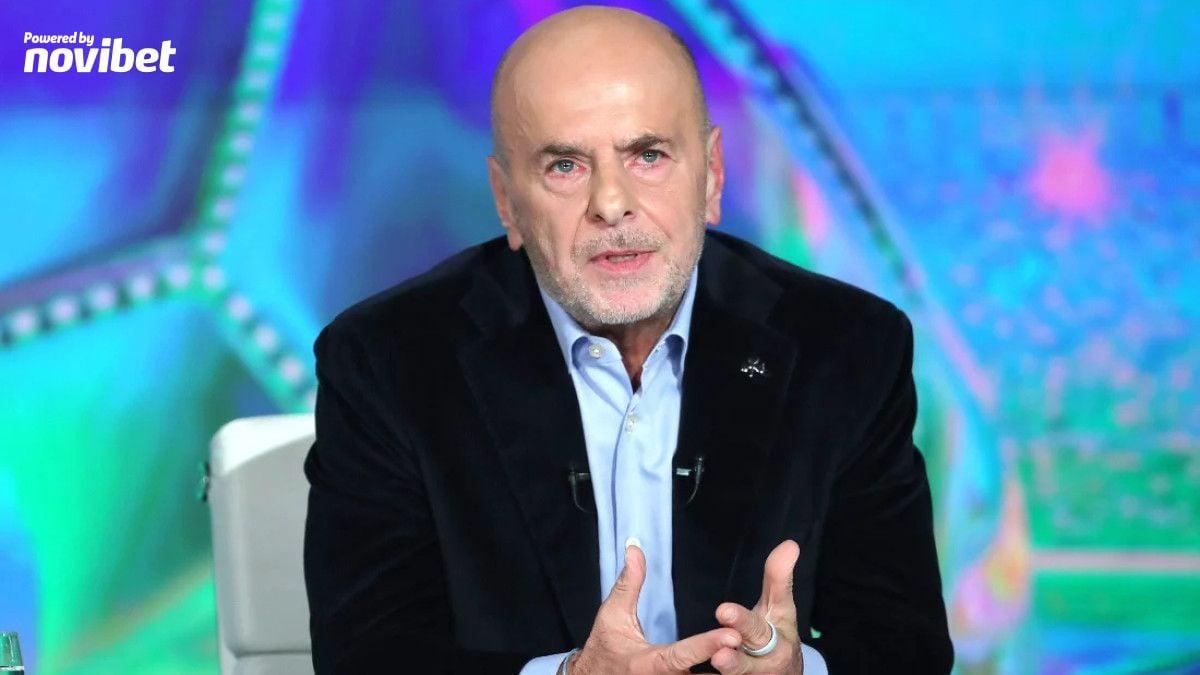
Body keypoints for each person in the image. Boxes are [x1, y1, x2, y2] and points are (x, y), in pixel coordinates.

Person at [302, 6, 953, 674]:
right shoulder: (387, 363)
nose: (611, 204)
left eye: (648, 155)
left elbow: (906, 647)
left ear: (712, 175)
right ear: (507, 201)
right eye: (565, 166)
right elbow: (367, 657)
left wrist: (800, 671)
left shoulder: (846, 349)